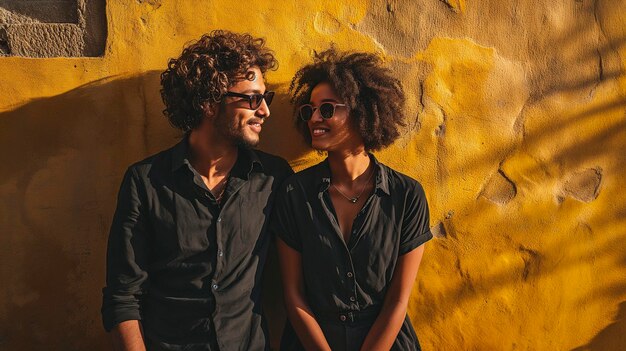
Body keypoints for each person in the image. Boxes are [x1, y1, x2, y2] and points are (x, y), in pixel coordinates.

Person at [101, 30, 293, 351]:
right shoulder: (145, 181)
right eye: (251, 98)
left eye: (265, 98)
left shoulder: (273, 178)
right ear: (208, 102)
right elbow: (123, 296)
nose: (264, 111)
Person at [271, 48, 432, 350]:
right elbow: (293, 296)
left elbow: (398, 301)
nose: (314, 118)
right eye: (309, 110)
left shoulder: (406, 196)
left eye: (327, 109)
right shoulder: (294, 194)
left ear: (361, 111)